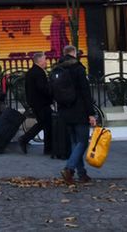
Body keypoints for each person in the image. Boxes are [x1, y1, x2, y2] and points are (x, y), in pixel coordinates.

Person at [51, 44, 96, 186]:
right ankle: (69, 169)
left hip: (65, 110)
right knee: (82, 142)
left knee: (74, 143)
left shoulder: (58, 68)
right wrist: (91, 113)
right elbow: (85, 92)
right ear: (74, 53)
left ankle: (82, 174)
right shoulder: (78, 68)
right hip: (80, 110)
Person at [18, 51, 54, 154]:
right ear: (40, 61)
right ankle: (25, 139)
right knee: (47, 123)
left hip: (36, 103)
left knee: (45, 124)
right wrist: (51, 90)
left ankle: (47, 148)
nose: (46, 61)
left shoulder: (33, 71)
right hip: (41, 103)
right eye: (45, 59)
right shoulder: (38, 72)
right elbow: (42, 88)